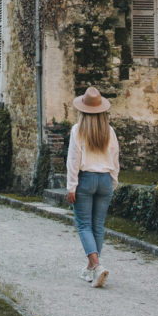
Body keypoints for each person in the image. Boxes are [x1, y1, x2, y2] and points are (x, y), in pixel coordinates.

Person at [66, 86, 119, 288]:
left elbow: (73, 160)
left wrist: (72, 187)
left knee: (84, 225)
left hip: (86, 179)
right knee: (98, 225)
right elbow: (115, 158)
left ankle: (96, 266)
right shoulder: (110, 131)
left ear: (83, 110)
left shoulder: (77, 130)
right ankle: (90, 269)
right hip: (105, 179)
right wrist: (113, 182)